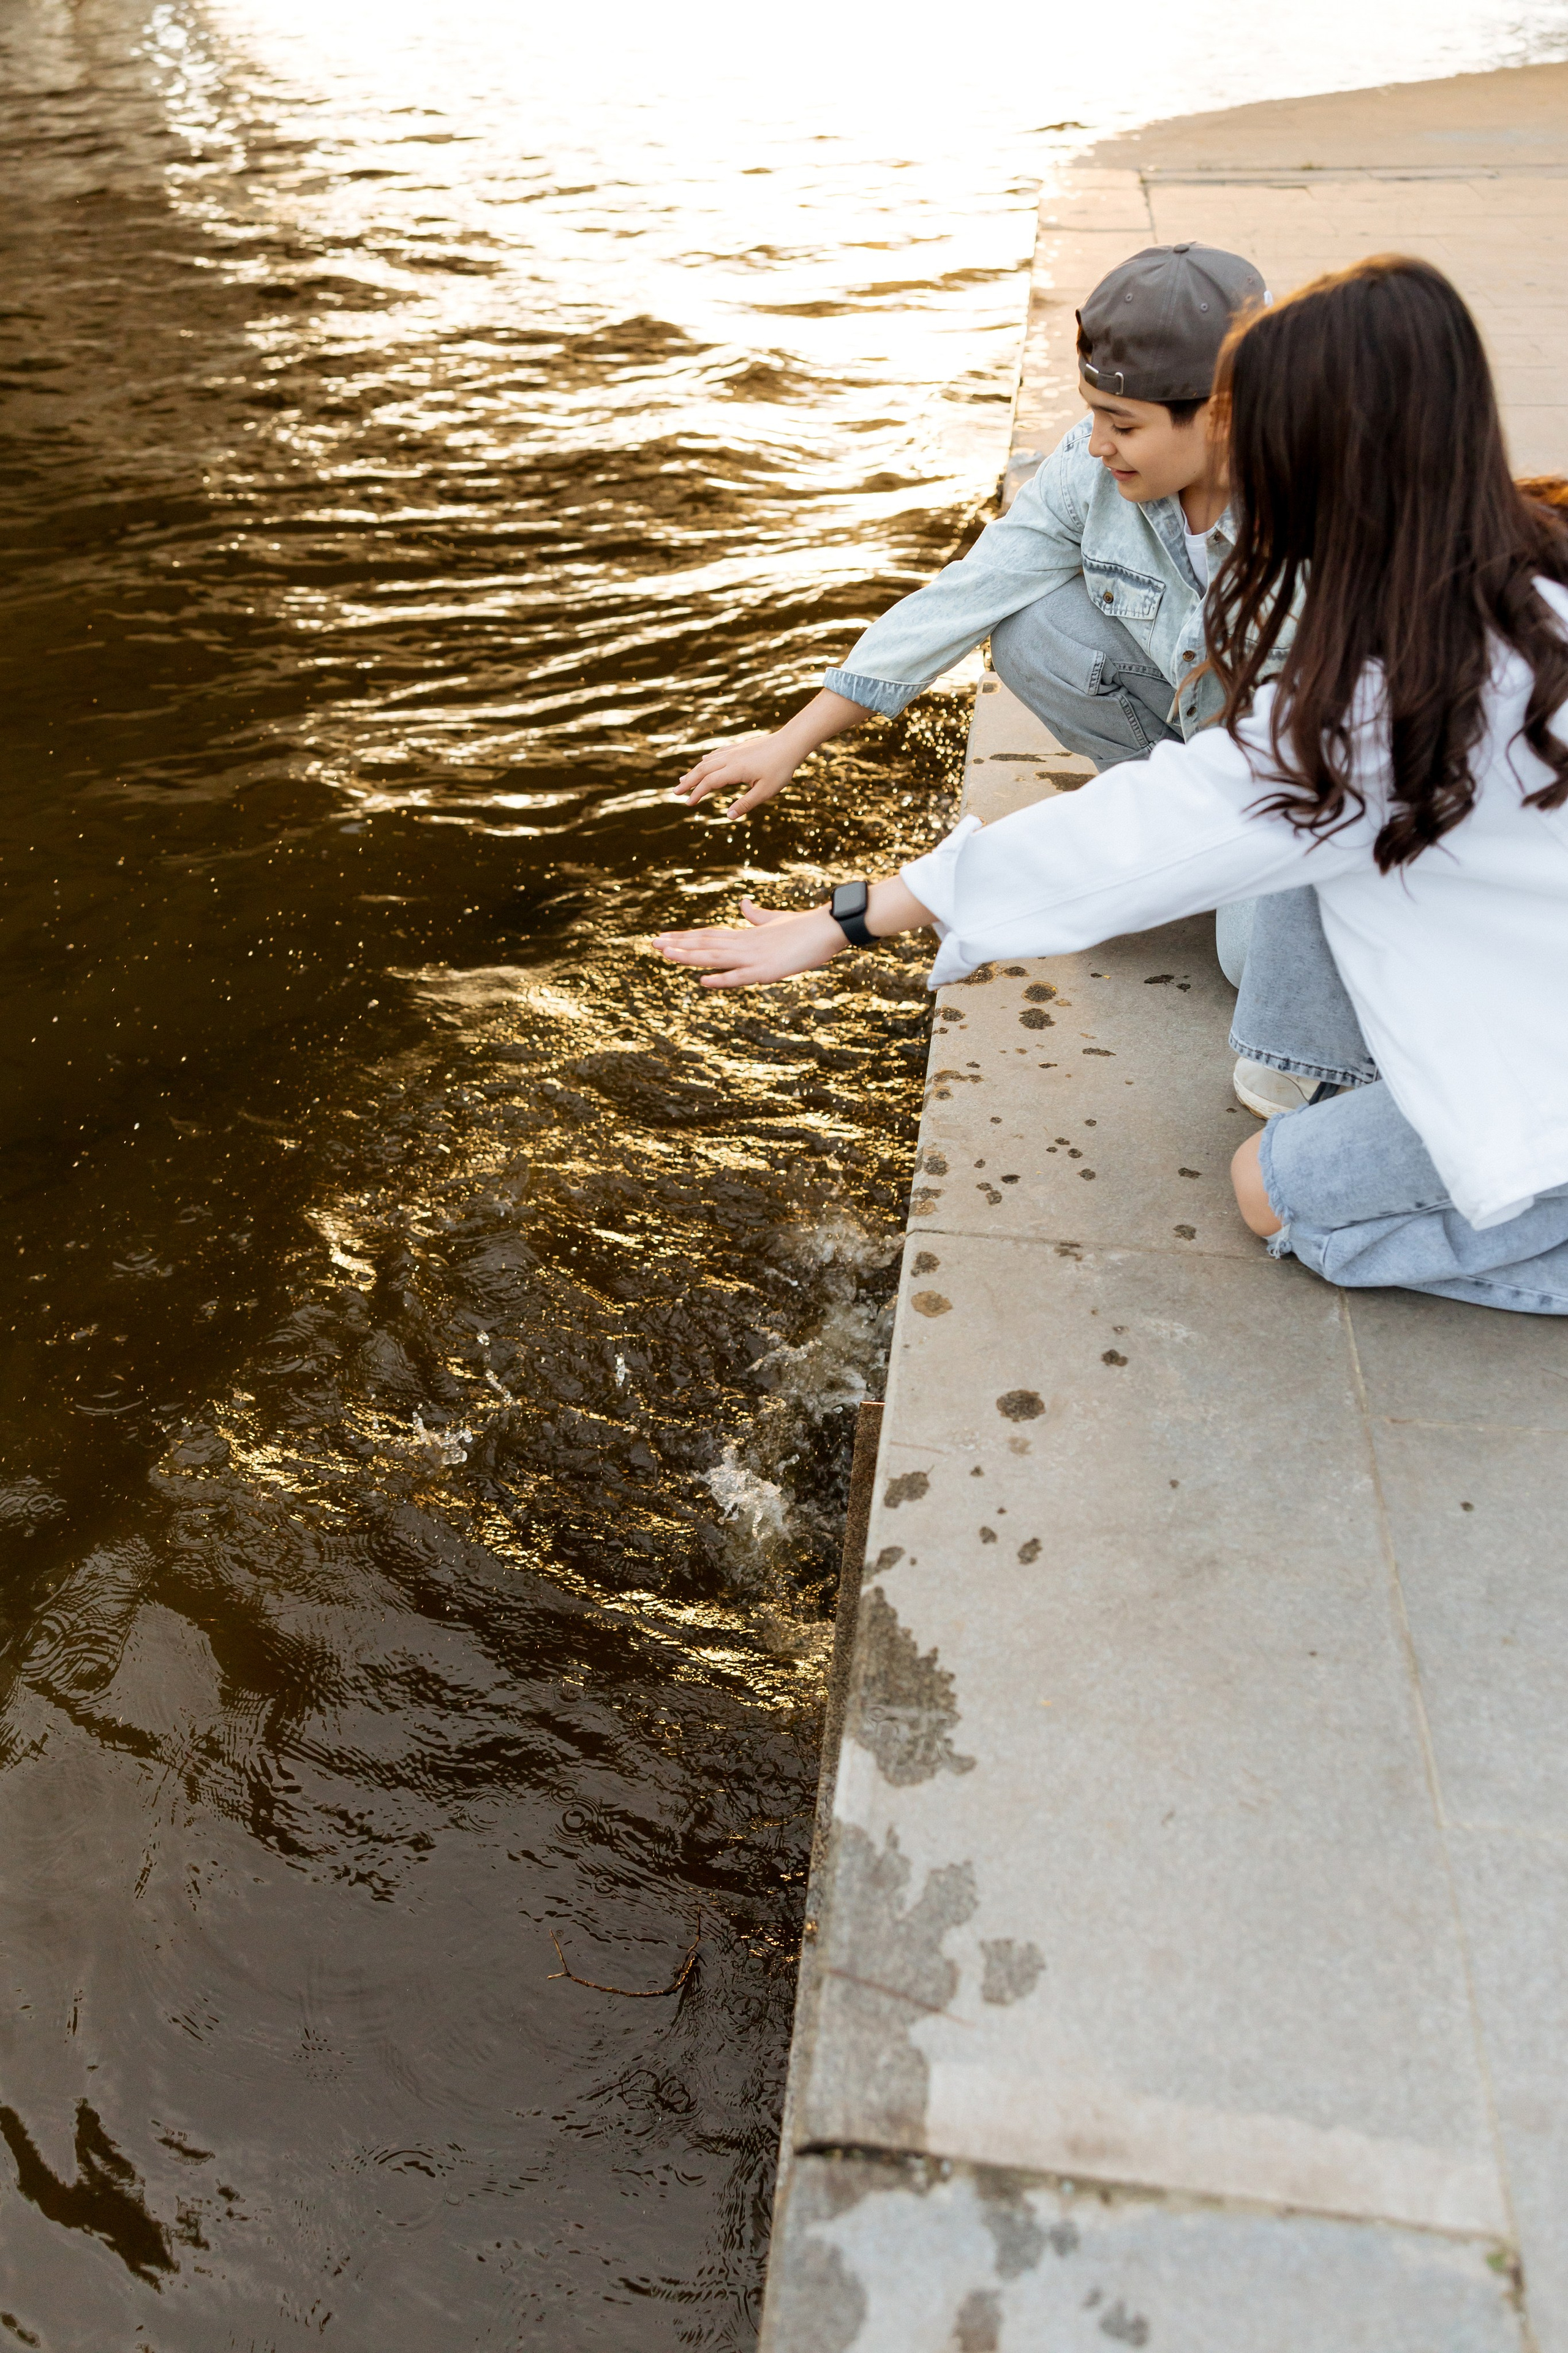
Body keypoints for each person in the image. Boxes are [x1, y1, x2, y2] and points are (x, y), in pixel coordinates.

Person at [655, 256, 1568, 1314]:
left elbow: (1143, 833)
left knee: (1271, 1193)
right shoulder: (1532, 573)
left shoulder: (1377, 704)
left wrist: (847, 919)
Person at [672, 239, 1298, 1113]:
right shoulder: (1090, 469)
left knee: (1254, 963)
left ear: (1224, 413)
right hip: (1211, 730)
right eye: (1092, 414)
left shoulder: (1325, 516)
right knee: (1032, 623)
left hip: (1302, 773)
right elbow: (968, 591)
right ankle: (1158, 810)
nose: (1096, 444)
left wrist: (849, 919)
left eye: (1124, 425)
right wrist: (793, 739)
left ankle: (1186, 850)